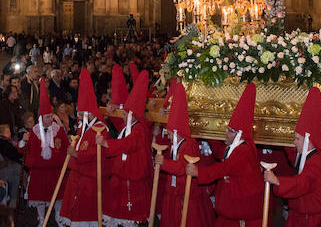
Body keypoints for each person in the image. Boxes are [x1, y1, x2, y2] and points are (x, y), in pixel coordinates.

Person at [187, 83, 265, 227]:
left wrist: (198, 172)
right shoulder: (236, 147)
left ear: (238, 135)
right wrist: (206, 133)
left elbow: (224, 168)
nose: (226, 132)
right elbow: (220, 152)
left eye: (230, 130)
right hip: (233, 205)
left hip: (243, 206)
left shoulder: (243, 151)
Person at [263, 87, 321, 227]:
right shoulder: (307, 155)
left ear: (308, 141)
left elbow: (303, 182)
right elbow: (294, 159)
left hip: (314, 220)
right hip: (302, 215)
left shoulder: (317, 162)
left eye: (297, 139)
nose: (294, 142)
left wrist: (277, 181)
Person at [155, 81, 213, 227]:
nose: (167, 137)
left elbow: (182, 167)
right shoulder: (176, 144)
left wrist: (164, 163)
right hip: (173, 194)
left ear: (176, 132)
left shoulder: (188, 145)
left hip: (185, 196)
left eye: (169, 133)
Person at [99, 71, 153, 226]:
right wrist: (110, 113)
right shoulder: (131, 125)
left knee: (132, 215)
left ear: (131, 115)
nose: (122, 115)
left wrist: (107, 144)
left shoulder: (139, 129)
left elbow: (129, 143)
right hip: (124, 171)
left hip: (133, 172)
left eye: (124, 113)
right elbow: (121, 127)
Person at [60, 68, 110, 226]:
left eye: (82, 114)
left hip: (91, 176)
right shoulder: (83, 128)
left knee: (87, 214)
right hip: (78, 173)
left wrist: (76, 154)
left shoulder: (100, 128)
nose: (79, 117)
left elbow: (96, 152)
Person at [21, 78, 69, 224]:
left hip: (56, 171)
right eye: (47, 116)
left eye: (51, 116)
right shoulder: (34, 132)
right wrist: (23, 140)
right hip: (40, 172)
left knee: (58, 196)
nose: (50, 119)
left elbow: (66, 147)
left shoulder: (59, 130)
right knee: (40, 198)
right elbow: (23, 149)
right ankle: (42, 218)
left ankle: (59, 217)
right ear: (41, 117)